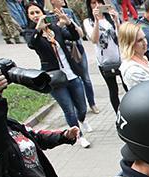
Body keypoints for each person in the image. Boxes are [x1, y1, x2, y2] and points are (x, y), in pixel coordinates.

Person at [24, 3, 92, 147]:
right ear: (29, 17)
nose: (36, 15)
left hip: (71, 74)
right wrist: (38, 29)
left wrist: (68, 23)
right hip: (54, 78)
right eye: (32, 13)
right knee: (69, 110)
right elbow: (32, 44)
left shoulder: (55, 28)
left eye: (37, 12)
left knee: (82, 107)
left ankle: (83, 119)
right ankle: (79, 136)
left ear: (43, 12)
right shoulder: (31, 33)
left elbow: (73, 36)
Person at [47, 0, 100, 115]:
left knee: (86, 78)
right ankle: (79, 107)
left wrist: (68, 21)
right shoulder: (48, 17)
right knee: (73, 80)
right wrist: (59, 25)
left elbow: (80, 34)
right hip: (64, 53)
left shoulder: (68, 12)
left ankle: (92, 103)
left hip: (77, 49)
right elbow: (50, 36)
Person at [84, 0, 129, 113]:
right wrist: (96, 21)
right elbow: (94, 39)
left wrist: (116, 21)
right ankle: (119, 114)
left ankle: (131, 111)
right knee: (113, 90)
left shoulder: (110, 18)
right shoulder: (88, 21)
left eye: (99, 2)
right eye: (93, 3)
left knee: (127, 86)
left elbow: (121, 38)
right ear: (89, 6)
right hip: (105, 62)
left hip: (120, 58)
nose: (97, 5)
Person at [119, 21, 149, 88]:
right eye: (139, 40)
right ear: (129, 44)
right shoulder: (133, 70)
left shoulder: (142, 58)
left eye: (144, 37)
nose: (145, 42)